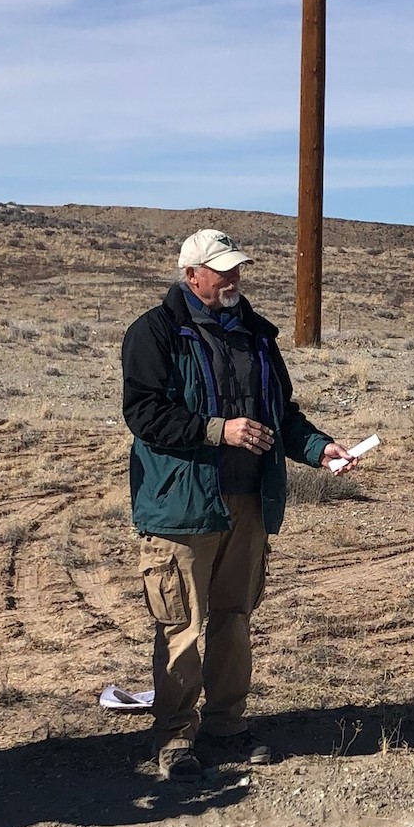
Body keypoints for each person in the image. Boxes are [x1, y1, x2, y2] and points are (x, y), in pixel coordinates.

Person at [119, 228, 351, 779]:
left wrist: (319, 449)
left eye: (236, 267)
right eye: (221, 269)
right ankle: (173, 737)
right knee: (181, 624)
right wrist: (216, 431)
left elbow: (282, 413)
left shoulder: (256, 336)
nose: (232, 278)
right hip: (182, 505)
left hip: (247, 501)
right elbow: (145, 414)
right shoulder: (155, 334)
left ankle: (226, 726)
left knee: (233, 620)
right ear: (190, 274)